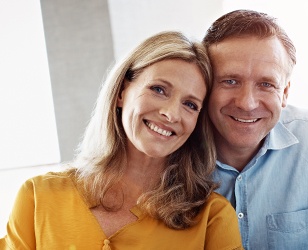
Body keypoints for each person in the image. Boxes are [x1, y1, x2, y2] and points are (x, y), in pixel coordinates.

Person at [0, 31, 243, 250]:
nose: (171, 114)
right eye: (159, 89)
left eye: (190, 105)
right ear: (121, 93)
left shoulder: (213, 217)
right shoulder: (37, 196)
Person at [202, 9, 308, 249]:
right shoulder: (171, 146)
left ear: (284, 93)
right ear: (205, 85)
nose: (247, 103)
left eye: (266, 84)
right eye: (230, 81)